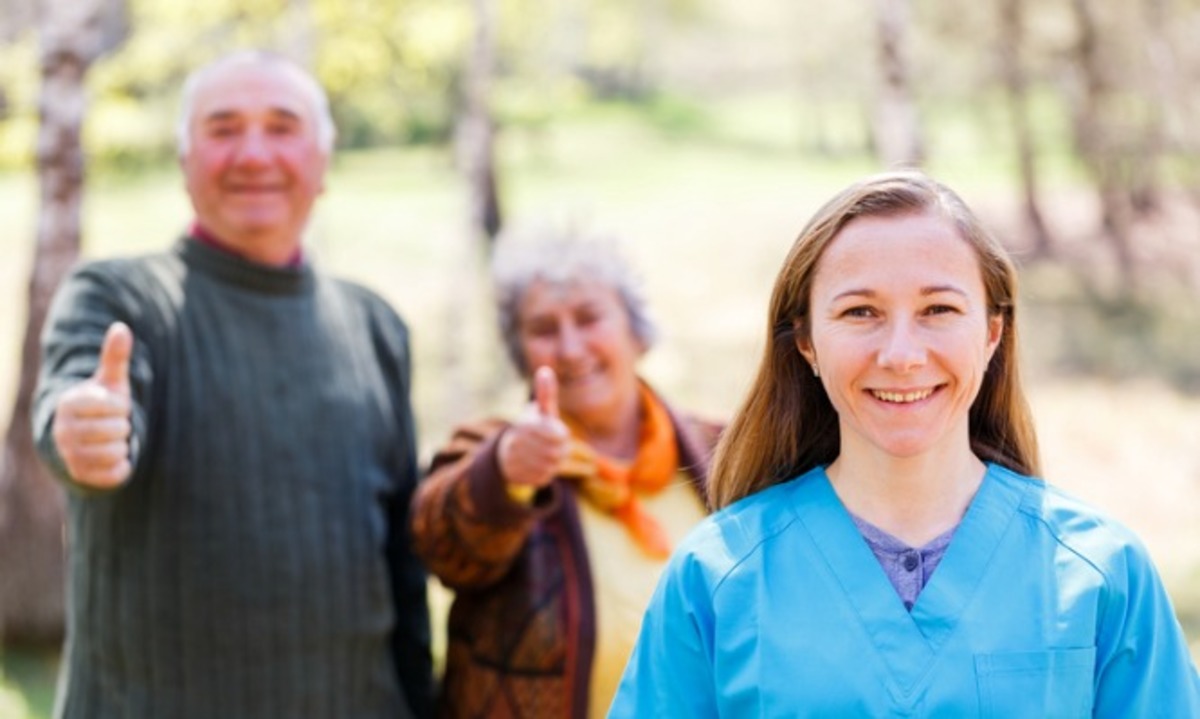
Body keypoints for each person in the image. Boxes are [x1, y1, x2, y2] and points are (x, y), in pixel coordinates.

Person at [608, 170, 1200, 717]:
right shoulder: (715, 577)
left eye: (938, 309)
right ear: (807, 342)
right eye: (860, 311)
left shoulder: (1102, 573)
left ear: (993, 333)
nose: (901, 356)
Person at [32, 50, 432, 718]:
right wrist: (79, 431)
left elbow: (403, 564)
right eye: (222, 129)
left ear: (323, 162)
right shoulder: (117, 299)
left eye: (282, 127)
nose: (253, 153)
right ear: (185, 161)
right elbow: (72, 407)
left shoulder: (374, 326)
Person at [410, 228, 723, 718]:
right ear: (520, 354)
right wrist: (505, 471)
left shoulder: (721, 452)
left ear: (636, 331)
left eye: (588, 317)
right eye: (543, 329)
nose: (571, 347)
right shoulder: (492, 453)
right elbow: (443, 546)